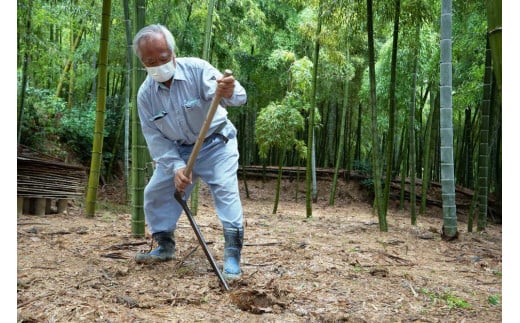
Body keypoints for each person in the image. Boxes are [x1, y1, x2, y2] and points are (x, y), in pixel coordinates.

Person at [132, 24, 247, 281]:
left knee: (226, 191)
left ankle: (232, 255)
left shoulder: (197, 69)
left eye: (162, 58)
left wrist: (229, 90)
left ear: (173, 53)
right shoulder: (145, 95)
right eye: (150, 61)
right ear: (142, 63)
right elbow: (155, 138)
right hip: (177, 151)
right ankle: (164, 246)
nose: (158, 65)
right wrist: (175, 167)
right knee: (156, 192)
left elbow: (234, 97)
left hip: (217, 143)